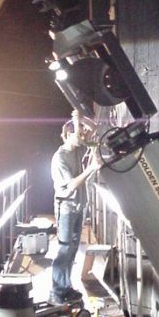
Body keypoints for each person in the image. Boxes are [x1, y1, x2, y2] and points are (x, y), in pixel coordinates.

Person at [49, 111, 98, 305]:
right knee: (64, 249)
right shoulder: (60, 157)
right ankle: (56, 291)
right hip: (66, 207)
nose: (84, 135)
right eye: (80, 132)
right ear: (69, 134)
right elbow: (70, 186)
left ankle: (66, 287)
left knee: (72, 250)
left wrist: (79, 119)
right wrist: (91, 168)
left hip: (78, 206)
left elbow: (94, 129)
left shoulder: (77, 148)